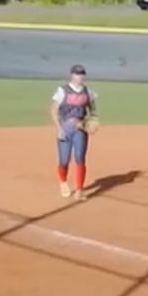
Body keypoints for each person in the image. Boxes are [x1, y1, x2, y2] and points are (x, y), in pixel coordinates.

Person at [48, 64, 97, 200]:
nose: (79, 76)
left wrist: (89, 122)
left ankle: (79, 190)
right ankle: (63, 181)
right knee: (64, 160)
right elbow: (53, 110)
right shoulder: (62, 91)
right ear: (72, 75)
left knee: (80, 158)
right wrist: (59, 128)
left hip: (80, 129)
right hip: (65, 128)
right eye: (77, 74)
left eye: (82, 74)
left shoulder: (88, 92)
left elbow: (92, 110)